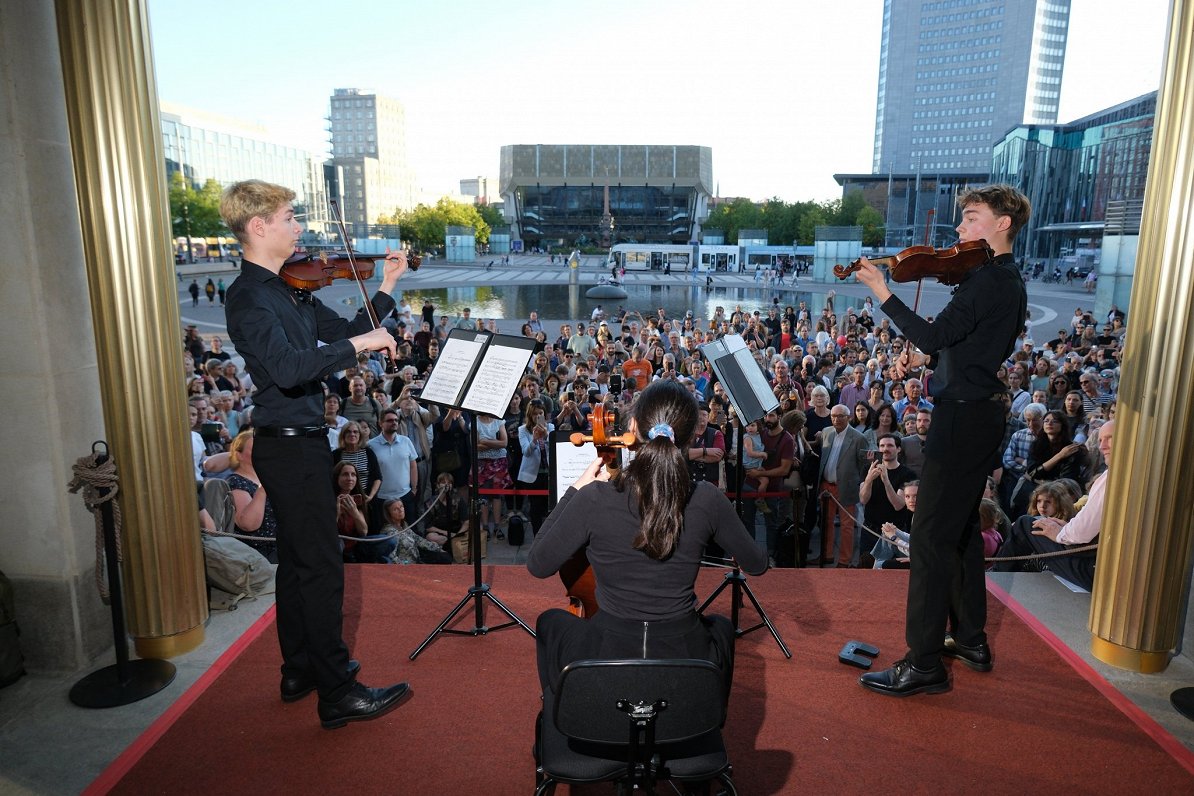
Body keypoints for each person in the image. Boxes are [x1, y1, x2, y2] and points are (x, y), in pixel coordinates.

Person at [221, 179, 411, 728]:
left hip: (299, 444)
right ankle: (338, 692)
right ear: (259, 227)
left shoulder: (292, 289)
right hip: (289, 447)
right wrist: (357, 346)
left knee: (298, 565)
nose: (299, 227)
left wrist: (389, 285)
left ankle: (299, 668)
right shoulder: (250, 296)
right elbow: (287, 368)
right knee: (323, 567)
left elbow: (355, 330)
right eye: (288, 217)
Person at [854, 184, 1029, 696]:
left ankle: (924, 663)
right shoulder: (1000, 279)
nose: (958, 230)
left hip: (963, 421)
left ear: (1002, 224)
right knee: (959, 533)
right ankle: (970, 638)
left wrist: (882, 292)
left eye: (971, 218)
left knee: (929, 539)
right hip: (977, 416)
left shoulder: (987, 283)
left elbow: (932, 336)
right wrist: (934, 362)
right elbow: (962, 348)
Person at [527, 380, 767, 698]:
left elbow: (538, 563)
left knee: (550, 623)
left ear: (635, 427)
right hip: (682, 648)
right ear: (693, 433)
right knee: (721, 627)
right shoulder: (708, 499)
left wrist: (576, 489)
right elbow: (757, 564)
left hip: (608, 647)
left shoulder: (594, 498)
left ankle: (563, 709)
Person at [995, 421, 1113, 590]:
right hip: (1104, 563)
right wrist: (1065, 526)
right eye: (1100, 439)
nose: (1102, 446)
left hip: (1096, 572)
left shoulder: (1111, 477)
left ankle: (996, 581)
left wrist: (1060, 532)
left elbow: (1081, 533)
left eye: (1109, 438)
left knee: (1025, 524)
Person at [816, 405, 869, 567]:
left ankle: (844, 561)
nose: (836, 419)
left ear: (849, 417)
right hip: (826, 486)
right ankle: (826, 555)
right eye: (833, 416)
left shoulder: (859, 437)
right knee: (826, 522)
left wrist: (856, 484)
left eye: (840, 416)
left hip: (847, 487)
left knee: (847, 525)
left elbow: (864, 466)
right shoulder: (826, 432)